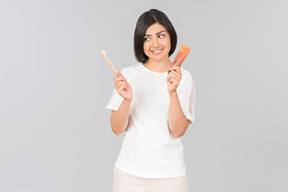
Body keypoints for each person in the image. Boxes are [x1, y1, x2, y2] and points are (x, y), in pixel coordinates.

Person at [106, 9, 195, 192]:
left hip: (170, 176)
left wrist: (172, 93)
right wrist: (127, 100)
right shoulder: (128, 75)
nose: (154, 43)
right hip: (129, 175)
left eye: (160, 35)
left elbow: (178, 131)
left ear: (171, 36)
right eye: (146, 38)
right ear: (140, 42)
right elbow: (116, 129)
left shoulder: (184, 78)